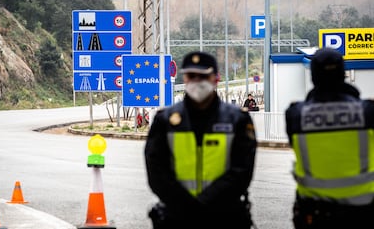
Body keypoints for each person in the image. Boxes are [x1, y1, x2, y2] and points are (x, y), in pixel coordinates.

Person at [144, 51, 257, 229]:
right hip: (177, 217)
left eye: (203, 76)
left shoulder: (237, 120)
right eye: (191, 75)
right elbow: (156, 171)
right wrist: (186, 205)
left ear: (215, 78)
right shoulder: (165, 120)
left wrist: (203, 203)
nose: (197, 81)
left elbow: (242, 172)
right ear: (185, 78)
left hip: (224, 216)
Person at [285, 47, 374, 229]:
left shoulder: (295, 115)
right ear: (343, 73)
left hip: (314, 212)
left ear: (314, 76)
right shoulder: (368, 111)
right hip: (363, 210)